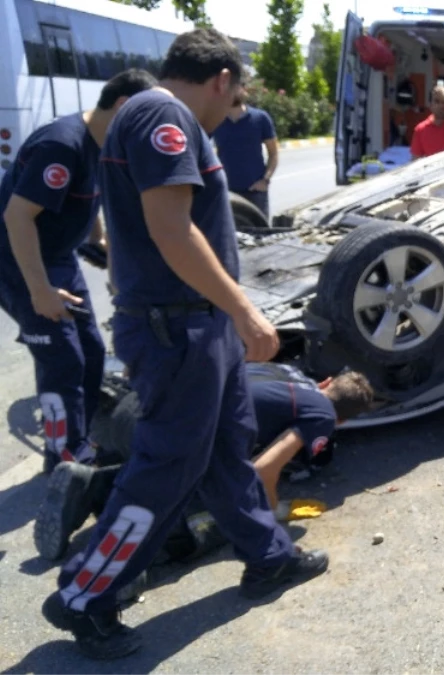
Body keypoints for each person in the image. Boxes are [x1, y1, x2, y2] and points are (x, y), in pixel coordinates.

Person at [41, 29, 329, 660]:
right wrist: (248, 312)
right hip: (181, 330)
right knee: (166, 467)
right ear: (222, 78)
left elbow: (150, 230)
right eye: (236, 96)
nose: (235, 108)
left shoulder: (149, 113)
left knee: (225, 449)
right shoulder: (163, 114)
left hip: (196, 327)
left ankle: (268, 556)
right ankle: (85, 594)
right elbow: (172, 232)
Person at [35, 363, 375, 562]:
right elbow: (262, 471)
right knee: (215, 516)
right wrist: (272, 512)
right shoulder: (324, 417)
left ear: (327, 382)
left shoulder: (285, 371)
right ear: (340, 422)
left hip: (136, 409)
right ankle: (130, 559)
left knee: (173, 474)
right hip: (169, 435)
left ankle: (91, 484)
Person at [0, 70, 158, 474]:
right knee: (62, 359)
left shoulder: (103, 143)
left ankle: (79, 442)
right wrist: (39, 293)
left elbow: (90, 201)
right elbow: (18, 218)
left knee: (89, 353)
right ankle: (64, 461)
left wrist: (100, 245)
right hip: (18, 260)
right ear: (123, 107)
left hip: (58, 257)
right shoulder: (62, 145)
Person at [211, 89, 278, 219]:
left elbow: (273, 153)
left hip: (255, 191)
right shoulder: (216, 120)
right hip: (226, 192)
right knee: (229, 235)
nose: (235, 91)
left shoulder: (260, 118)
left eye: (237, 87)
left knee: (260, 234)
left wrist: (265, 180)